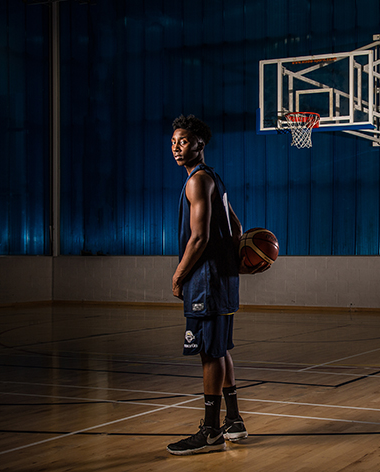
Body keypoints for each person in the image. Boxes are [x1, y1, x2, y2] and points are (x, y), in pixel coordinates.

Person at [166, 114, 261, 455]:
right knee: (220, 349)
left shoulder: (196, 181)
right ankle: (233, 421)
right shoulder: (214, 179)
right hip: (222, 278)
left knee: (209, 353)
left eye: (185, 142)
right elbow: (235, 224)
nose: (177, 147)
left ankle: (209, 431)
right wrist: (236, 261)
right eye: (174, 141)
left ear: (200, 145)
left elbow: (200, 236)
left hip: (205, 280)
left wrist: (179, 275)